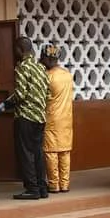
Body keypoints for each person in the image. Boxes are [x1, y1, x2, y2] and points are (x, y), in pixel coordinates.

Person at [6, 36, 49, 200]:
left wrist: (7, 103)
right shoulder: (40, 67)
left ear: (19, 49)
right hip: (40, 116)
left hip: (25, 117)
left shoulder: (22, 67)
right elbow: (47, 92)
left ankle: (32, 189)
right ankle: (42, 188)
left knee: (26, 154)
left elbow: (21, 94)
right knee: (38, 153)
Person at [41, 45, 75, 194]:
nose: (41, 61)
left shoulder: (47, 76)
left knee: (51, 152)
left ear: (48, 59)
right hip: (67, 119)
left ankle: (54, 185)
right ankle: (65, 184)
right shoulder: (68, 75)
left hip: (51, 119)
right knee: (65, 152)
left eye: (43, 58)